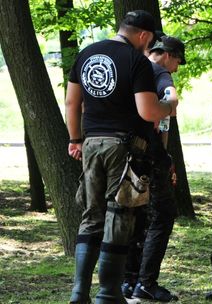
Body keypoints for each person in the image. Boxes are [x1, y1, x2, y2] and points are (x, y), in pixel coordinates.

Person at [66, 10, 178, 304]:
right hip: (125, 147)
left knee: (91, 217)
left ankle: (79, 292)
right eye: (150, 39)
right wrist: (168, 105)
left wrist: (75, 138)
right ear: (143, 35)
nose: (149, 44)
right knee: (119, 214)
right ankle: (108, 293)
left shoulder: (86, 54)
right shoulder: (136, 61)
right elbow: (148, 111)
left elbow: (72, 102)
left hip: (91, 143)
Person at [121, 35, 186, 302]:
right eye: (178, 61)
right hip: (148, 155)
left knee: (132, 216)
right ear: (168, 55)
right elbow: (171, 103)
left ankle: (127, 281)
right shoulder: (158, 72)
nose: (177, 68)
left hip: (123, 153)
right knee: (162, 214)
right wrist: (170, 104)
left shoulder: (130, 66)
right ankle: (146, 283)